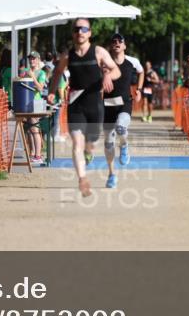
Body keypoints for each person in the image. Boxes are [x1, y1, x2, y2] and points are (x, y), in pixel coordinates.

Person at [47, 18, 121, 197]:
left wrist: (108, 76)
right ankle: (82, 179)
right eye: (76, 29)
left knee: (91, 143)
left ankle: (89, 151)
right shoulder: (68, 55)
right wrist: (51, 91)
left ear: (89, 33)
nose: (80, 32)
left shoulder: (99, 52)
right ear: (73, 33)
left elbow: (116, 70)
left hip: (94, 104)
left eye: (84, 29)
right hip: (76, 104)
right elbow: (57, 72)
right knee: (77, 144)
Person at [102, 33, 140, 188]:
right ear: (111, 46)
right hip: (108, 104)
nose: (116, 43)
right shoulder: (104, 61)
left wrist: (140, 89)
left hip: (124, 103)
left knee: (121, 127)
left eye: (120, 41)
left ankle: (124, 146)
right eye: (113, 42)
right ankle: (112, 175)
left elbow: (141, 71)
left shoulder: (133, 61)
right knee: (108, 143)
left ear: (124, 46)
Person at [18, 51, 49, 166]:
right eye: (30, 59)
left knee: (35, 129)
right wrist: (25, 76)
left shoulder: (41, 73)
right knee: (30, 129)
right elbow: (21, 83)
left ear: (38, 59)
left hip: (36, 102)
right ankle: (32, 154)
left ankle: (38, 155)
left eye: (34, 59)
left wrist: (32, 77)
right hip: (26, 102)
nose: (32, 61)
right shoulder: (26, 71)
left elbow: (41, 88)